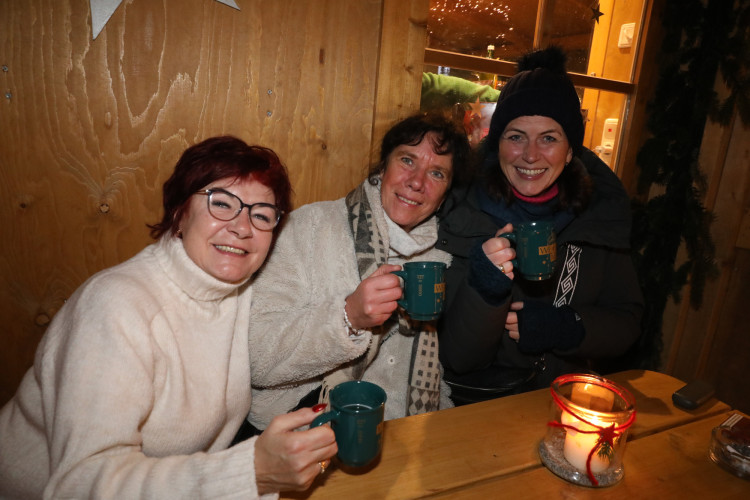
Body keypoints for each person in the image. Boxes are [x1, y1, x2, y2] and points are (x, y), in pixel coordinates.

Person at [0, 137, 374, 498]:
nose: (242, 227)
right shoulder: (115, 306)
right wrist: (249, 473)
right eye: (222, 203)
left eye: (261, 215)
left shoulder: (237, 289)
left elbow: (278, 348)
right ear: (179, 212)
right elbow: (79, 484)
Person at [436, 46, 644, 403]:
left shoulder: (599, 216)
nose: (531, 155)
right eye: (516, 136)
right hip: (474, 409)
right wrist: (486, 291)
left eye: (549, 138)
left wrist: (570, 327)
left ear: (570, 150)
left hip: (565, 402)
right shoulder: (459, 212)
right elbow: (457, 358)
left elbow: (627, 322)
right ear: (496, 144)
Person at [245, 113, 470, 431]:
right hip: (308, 430)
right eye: (407, 160)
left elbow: (435, 372)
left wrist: (439, 430)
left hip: (403, 433)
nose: (417, 182)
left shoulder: (439, 259)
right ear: (383, 166)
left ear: (445, 194)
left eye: (437, 173)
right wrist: (348, 318)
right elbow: (257, 359)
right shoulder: (308, 228)